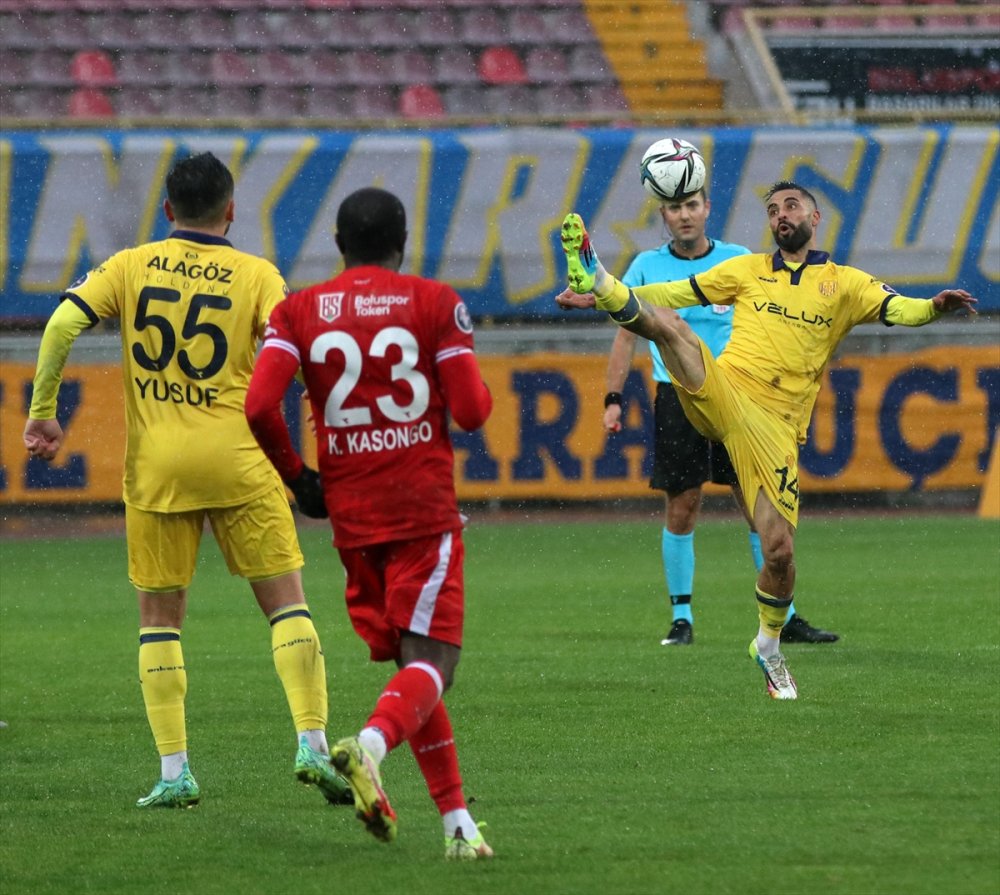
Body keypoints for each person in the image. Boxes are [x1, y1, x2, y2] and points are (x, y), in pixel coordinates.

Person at [557, 181, 976, 700]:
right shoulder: (747, 270)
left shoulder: (845, 284)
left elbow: (899, 309)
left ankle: (768, 646)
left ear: (815, 218)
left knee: (779, 552)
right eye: (773, 209)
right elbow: (672, 293)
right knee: (674, 328)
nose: (781, 215)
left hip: (776, 427)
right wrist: (602, 291)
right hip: (727, 391)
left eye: (791, 206)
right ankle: (596, 271)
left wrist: (933, 306)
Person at [22, 152, 351, 808]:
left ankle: (175, 771)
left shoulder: (130, 265)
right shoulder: (257, 274)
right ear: (231, 210)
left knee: (160, 621)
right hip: (239, 461)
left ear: (168, 209)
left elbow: (61, 323)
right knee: (286, 605)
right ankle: (312, 744)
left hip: (159, 468)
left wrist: (43, 412)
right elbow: (298, 351)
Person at [244, 187, 495, 860]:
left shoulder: (299, 310)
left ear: (338, 244)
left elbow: (260, 404)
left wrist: (299, 477)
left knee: (414, 666)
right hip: (419, 506)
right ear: (403, 243)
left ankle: (459, 826)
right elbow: (472, 411)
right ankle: (371, 745)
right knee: (436, 663)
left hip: (352, 516)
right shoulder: (434, 302)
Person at [604, 186, 837, 647]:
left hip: (740, 393)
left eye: (692, 205)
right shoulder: (646, 266)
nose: (685, 215)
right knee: (683, 505)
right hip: (678, 396)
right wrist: (613, 396)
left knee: (758, 507)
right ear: (663, 214)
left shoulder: (738, 260)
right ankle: (682, 618)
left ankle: (785, 616)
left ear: (707, 208)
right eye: (675, 207)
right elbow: (626, 336)